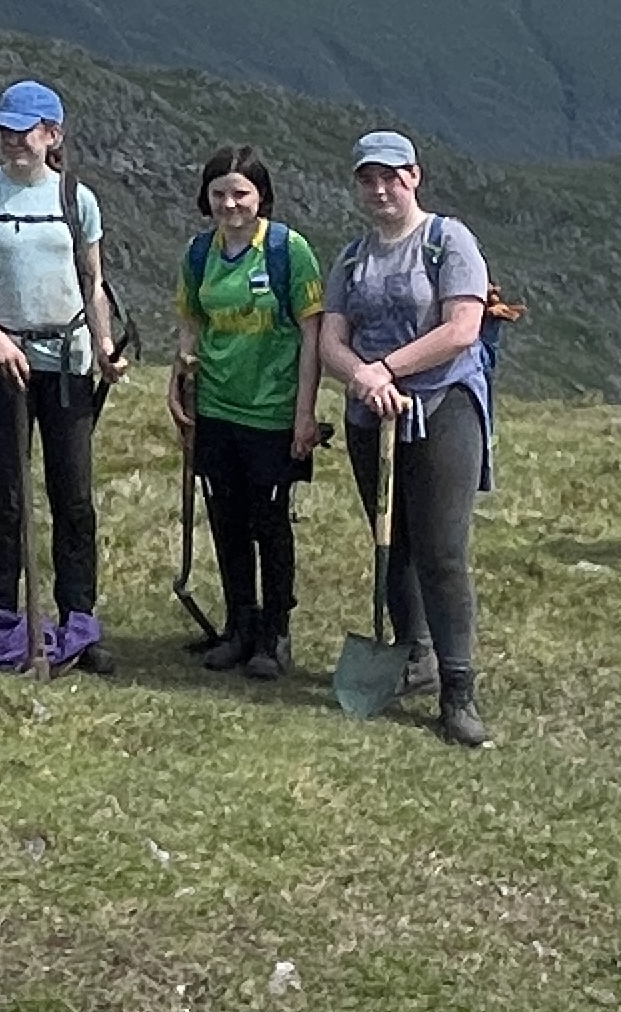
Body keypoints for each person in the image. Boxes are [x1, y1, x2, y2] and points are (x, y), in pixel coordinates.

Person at [319, 129, 506, 747]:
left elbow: (462, 329)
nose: (379, 189)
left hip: (444, 405)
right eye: (367, 179)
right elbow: (330, 341)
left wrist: (386, 370)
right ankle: (414, 657)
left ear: (414, 177)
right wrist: (365, 379)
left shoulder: (449, 243)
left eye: (390, 176)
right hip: (373, 414)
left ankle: (459, 691)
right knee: (390, 543)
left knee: (442, 551)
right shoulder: (350, 258)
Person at [0, 82, 120, 672]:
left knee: (75, 497)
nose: (13, 141)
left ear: (53, 135)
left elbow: (92, 282)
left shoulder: (76, 199)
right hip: (1, 367)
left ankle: (78, 622)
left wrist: (105, 344)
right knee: (7, 494)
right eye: (6, 131)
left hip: (67, 363)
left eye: (25, 130)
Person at [171, 145, 324, 681]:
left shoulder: (288, 251)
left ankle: (274, 635)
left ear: (261, 196)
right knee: (227, 521)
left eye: (241, 192)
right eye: (219, 193)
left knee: (271, 523)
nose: (230, 203)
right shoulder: (198, 254)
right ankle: (238, 627)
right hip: (215, 408)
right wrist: (178, 383)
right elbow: (191, 323)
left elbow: (312, 334)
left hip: (272, 412)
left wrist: (305, 412)